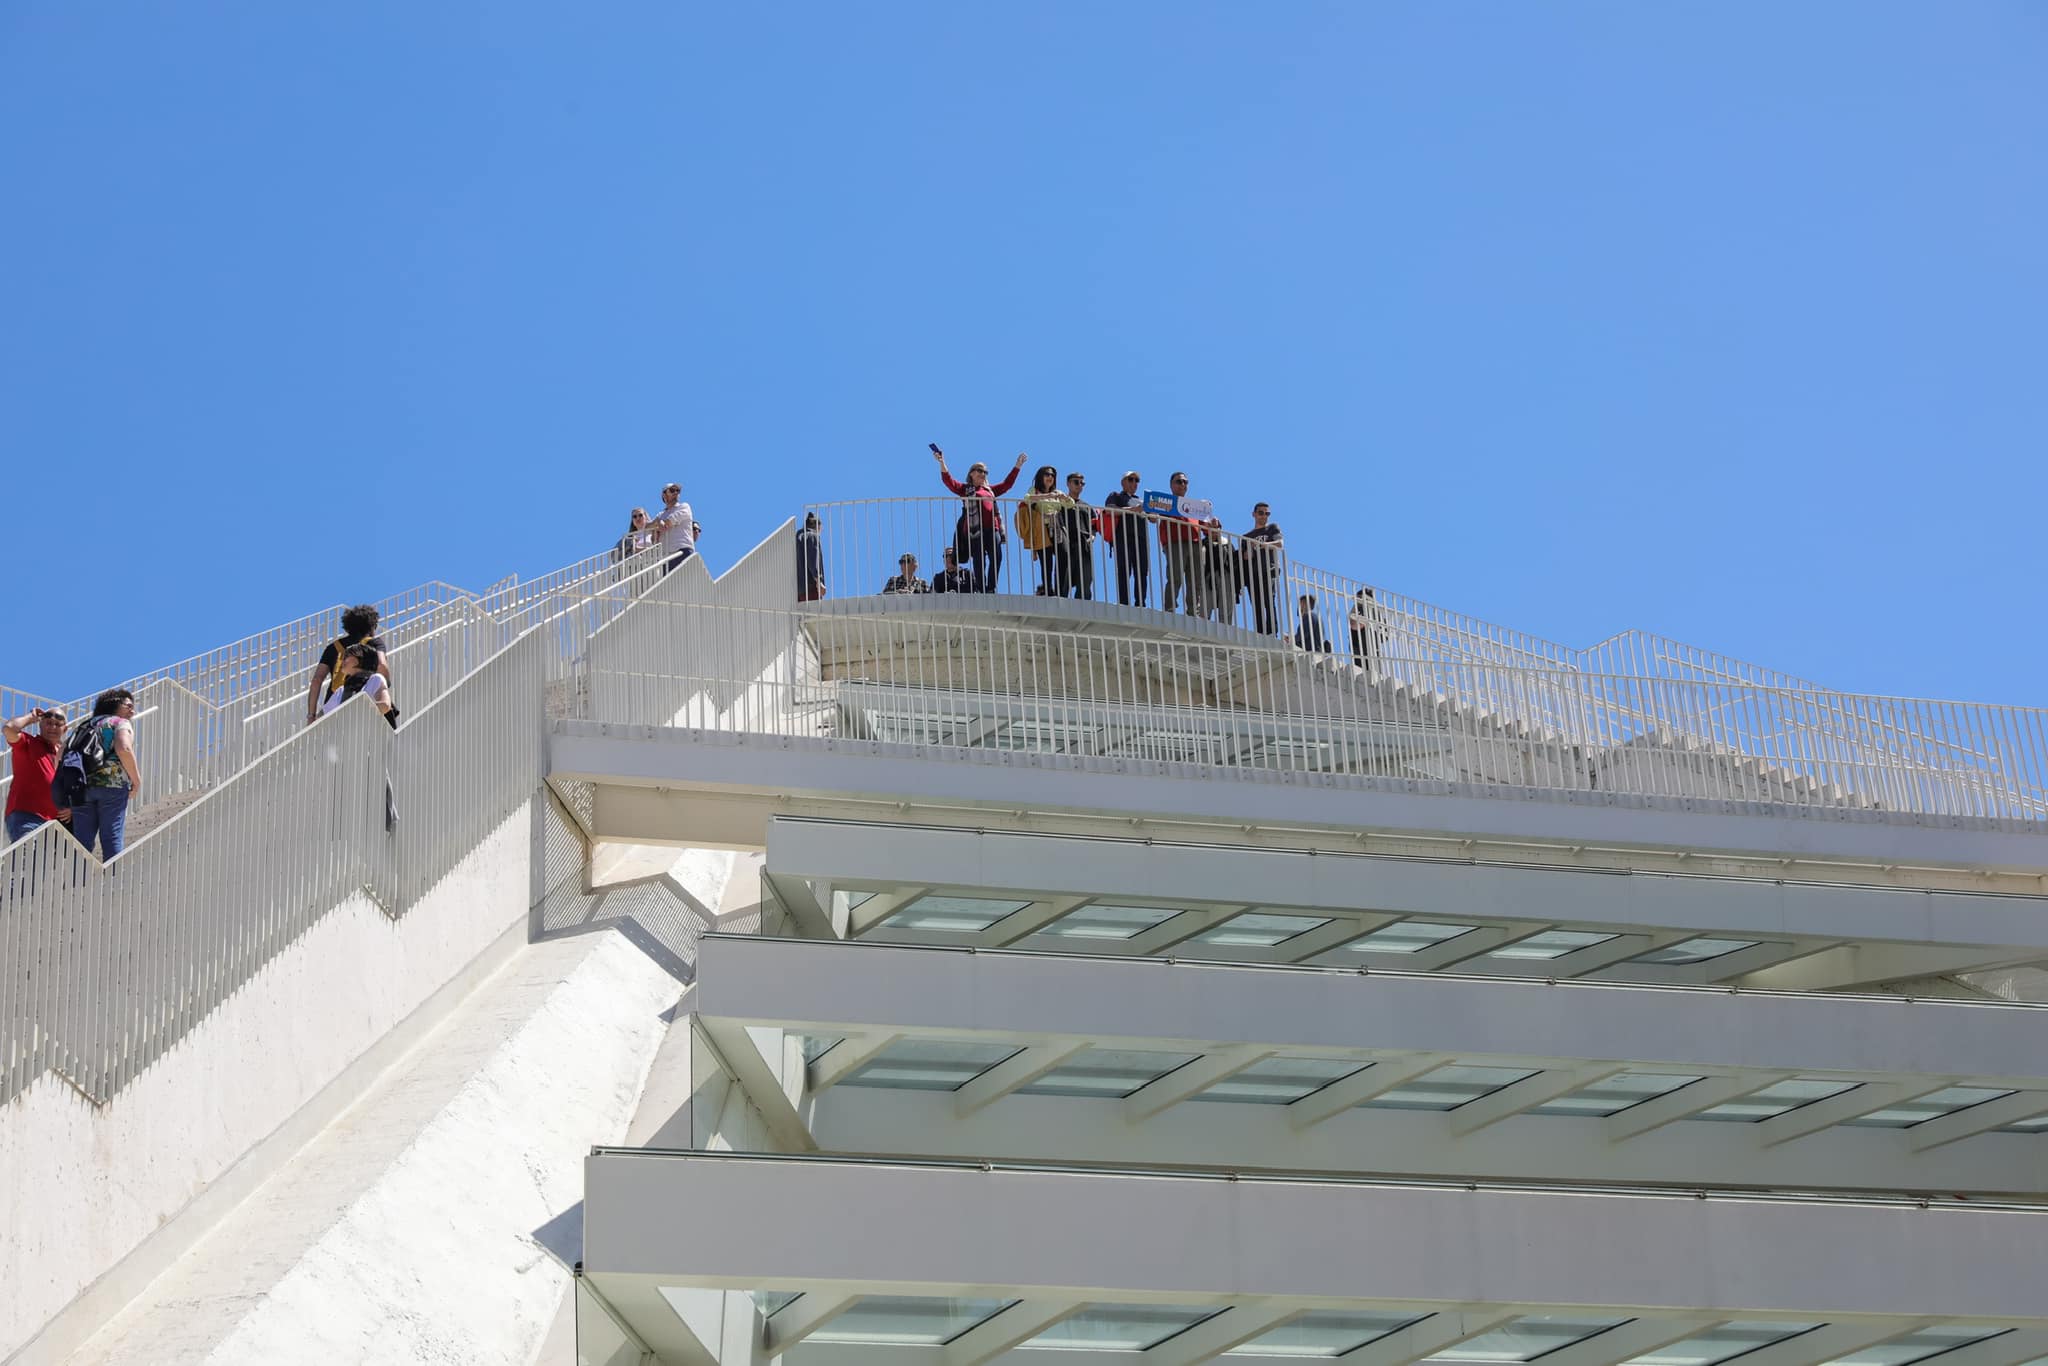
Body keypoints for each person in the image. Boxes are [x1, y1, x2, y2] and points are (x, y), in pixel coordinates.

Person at [935, 446, 1026, 591]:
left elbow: (1007, 485)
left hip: (992, 528)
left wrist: (1017, 466)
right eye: (980, 470)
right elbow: (948, 481)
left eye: (985, 472)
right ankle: (981, 588)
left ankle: (991, 587)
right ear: (971, 473)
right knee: (979, 561)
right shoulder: (966, 489)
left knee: (997, 557)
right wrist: (942, 462)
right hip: (974, 531)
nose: (983, 474)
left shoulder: (990, 490)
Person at [68, 688, 141, 860]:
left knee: (82, 841)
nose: (132, 711)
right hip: (112, 784)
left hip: (81, 787)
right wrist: (136, 780)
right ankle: (113, 875)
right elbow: (124, 748)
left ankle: (77, 876)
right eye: (128, 705)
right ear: (114, 704)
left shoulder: (83, 726)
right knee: (111, 836)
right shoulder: (120, 722)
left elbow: (61, 755)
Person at [306, 604, 391, 726]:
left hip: (334, 703)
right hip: (364, 700)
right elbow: (382, 664)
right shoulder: (375, 643)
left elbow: (316, 680)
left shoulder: (333, 648)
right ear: (372, 626)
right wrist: (385, 684)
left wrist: (311, 716)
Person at [4, 705, 69, 842]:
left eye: (58, 724)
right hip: (28, 816)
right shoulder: (28, 743)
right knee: (27, 855)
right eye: (48, 723)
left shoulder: (66, 755)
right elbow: (9, 729)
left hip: (54, 823)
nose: (52, 727)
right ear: (40, 724)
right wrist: (31, 717)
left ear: (65, 729)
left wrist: (71, 807)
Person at [1014, 465, 1071, 595]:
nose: (1050, 477)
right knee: (1046, 562)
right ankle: (1048, 590)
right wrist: (1047, 495)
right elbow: (1027, 498)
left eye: (1052, 475)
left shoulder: (1057, 492)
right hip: (1041, 528)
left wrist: (1065, 498)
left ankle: (1060, 591)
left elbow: (1070, 504)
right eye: (1047, 474)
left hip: (1057, 527)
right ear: (1041, 477)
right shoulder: (1035, 490)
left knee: (1064, 555)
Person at [1101, 470, 1150, 607]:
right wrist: (1132, 510)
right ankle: (1124, 603)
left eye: (1136, 480)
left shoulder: (1142, 501)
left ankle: (1140, 602)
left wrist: (1150, 508)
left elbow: (1153, 519)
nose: (1134, 483)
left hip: (1141, 538)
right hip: (1123, 537)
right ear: (1123, 482)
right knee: (1124, 570)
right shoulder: (1116, 495)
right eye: (1130, 479)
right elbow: (1109, 510)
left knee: (1142, 571)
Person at [1158, 472, 1205, 615]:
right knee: (1175, 577)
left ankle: (1193, 611)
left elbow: (1207, 527)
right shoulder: (1166, 502)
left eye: (1185, 482)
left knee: (1195, 580)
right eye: (1179, 481)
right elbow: (1153, 517)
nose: (1183, 484)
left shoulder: (1194, 506)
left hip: (1195, 544)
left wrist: (1214, 523)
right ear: (1171, 485)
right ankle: (1169, 608)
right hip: (1175, 543)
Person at [318, 642, 397, 724]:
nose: (342, 660)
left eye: (346, 656)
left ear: (359, 658)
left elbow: (385, 705)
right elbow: (321, 717)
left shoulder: (375, 679)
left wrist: (350, 714)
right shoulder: (341, 690)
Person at [1239, 502, 1285, 635]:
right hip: (1252, 574)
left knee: (1269, 600)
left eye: (1267, 513)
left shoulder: (1272, 528)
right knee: (1256, 605)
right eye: (1261, 513)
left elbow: (1280, 544)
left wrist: (1263, 545)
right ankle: (1260, 633)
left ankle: (1272, 633)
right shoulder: (1246, 537)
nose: (1264, 516)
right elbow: (1244, 557)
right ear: (1254, 514)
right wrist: (1249, 550)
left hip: (1268, 569)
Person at [1056, 472, 1097, 600]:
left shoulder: (1087, 506)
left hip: (1084, 545)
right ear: (1068, 484)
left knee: (1085, 579)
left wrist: (1092, 536)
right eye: (1076, 482)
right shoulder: (1061, 503)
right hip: (1067, 544)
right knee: (1063, 578)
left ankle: (1083, 605)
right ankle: (1060, 604)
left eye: (1082, 483)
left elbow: (1094, 524)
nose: (1079, 485)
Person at [651, 482, 697, 573]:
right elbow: (648, 527)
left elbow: (668, 523)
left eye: (678, 490)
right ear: (664, 495)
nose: (676, 492)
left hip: (683, 551)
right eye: (672, 490)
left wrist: (658, 523)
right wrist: (658, 522)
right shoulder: (661, 514)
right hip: (666, 557)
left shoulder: (684, 506)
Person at [1203, 519, 1242, 625]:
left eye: (1217, 527)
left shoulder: (1227, 544)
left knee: (1226, 605)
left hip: (1226, 576)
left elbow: (1234, 565)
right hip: (1208, 577)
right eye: (1212, 527)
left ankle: (1225, 628)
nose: (1215, 530)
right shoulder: (1203, 544)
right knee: (1205, 604)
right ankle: (1203, 627)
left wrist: (1238, 586)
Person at [1350, 586, 1391, 674]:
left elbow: (1354, 625)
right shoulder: (1377, 612)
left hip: (1362, 649)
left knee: (1364, 673)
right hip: (1373, 651)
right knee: (1375, 674)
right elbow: (1386, 635)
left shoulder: (1362, 609)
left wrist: (1354, 612)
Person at [795, 512, 826, 602]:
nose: (820, 532)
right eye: (820, 529)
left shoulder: (798, 537)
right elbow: (813, 559)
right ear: (816, 526)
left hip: (799, 590)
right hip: (811, 588)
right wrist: (818, 581)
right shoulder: (812, 536)